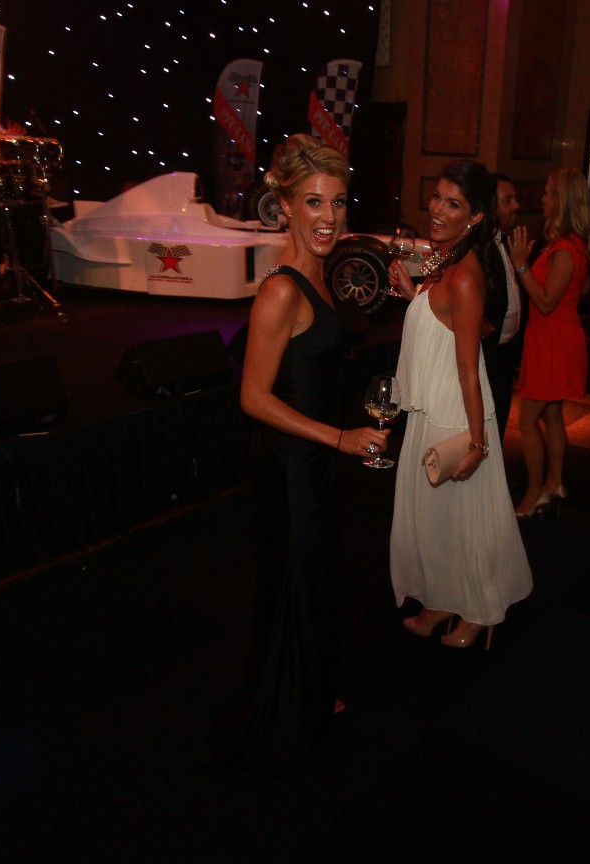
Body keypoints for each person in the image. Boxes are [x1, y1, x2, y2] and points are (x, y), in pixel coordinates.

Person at [222, 134, 388, 773]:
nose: (329, 217)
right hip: (292, 461)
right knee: (297, 573)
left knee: (316, 574)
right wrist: (340, 438)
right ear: (285, 205)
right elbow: (252, 398)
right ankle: (287, 709)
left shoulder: (322, 269)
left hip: (313, 457)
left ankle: (312, 688)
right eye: (314, 202)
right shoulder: (281, 290)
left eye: (338, 202)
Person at [385, 160, 532, 649]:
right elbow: (441, 322)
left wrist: (477, 443)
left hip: (452, 413)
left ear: (475, 216)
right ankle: (444, 600)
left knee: (464, 522)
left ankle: (481, 610)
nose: (438, 210)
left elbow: (470, 367)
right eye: (437, 197)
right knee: (436, 522)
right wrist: (413, 295)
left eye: (453, 204)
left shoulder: (465, 274)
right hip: (431, 408)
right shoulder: (445, 260)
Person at [508, 167, 590, 518]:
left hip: (553, 343)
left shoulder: (565, 250)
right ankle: (554, 482)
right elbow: (583, 289)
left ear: (561, 200)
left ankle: (533, 494)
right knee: (553, 414)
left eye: (547, 192)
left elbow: (545, 302)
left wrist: (521, 266)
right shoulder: (571, 245)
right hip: (555, 338)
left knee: (528, 422)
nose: (542, 198)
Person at [481, 173, 523, 443]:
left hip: (504, 353)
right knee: (484, 430)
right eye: (508, 200)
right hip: (486, 354)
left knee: (498, 427)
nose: (516, 205)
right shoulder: (480, 245)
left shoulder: (504, 241)